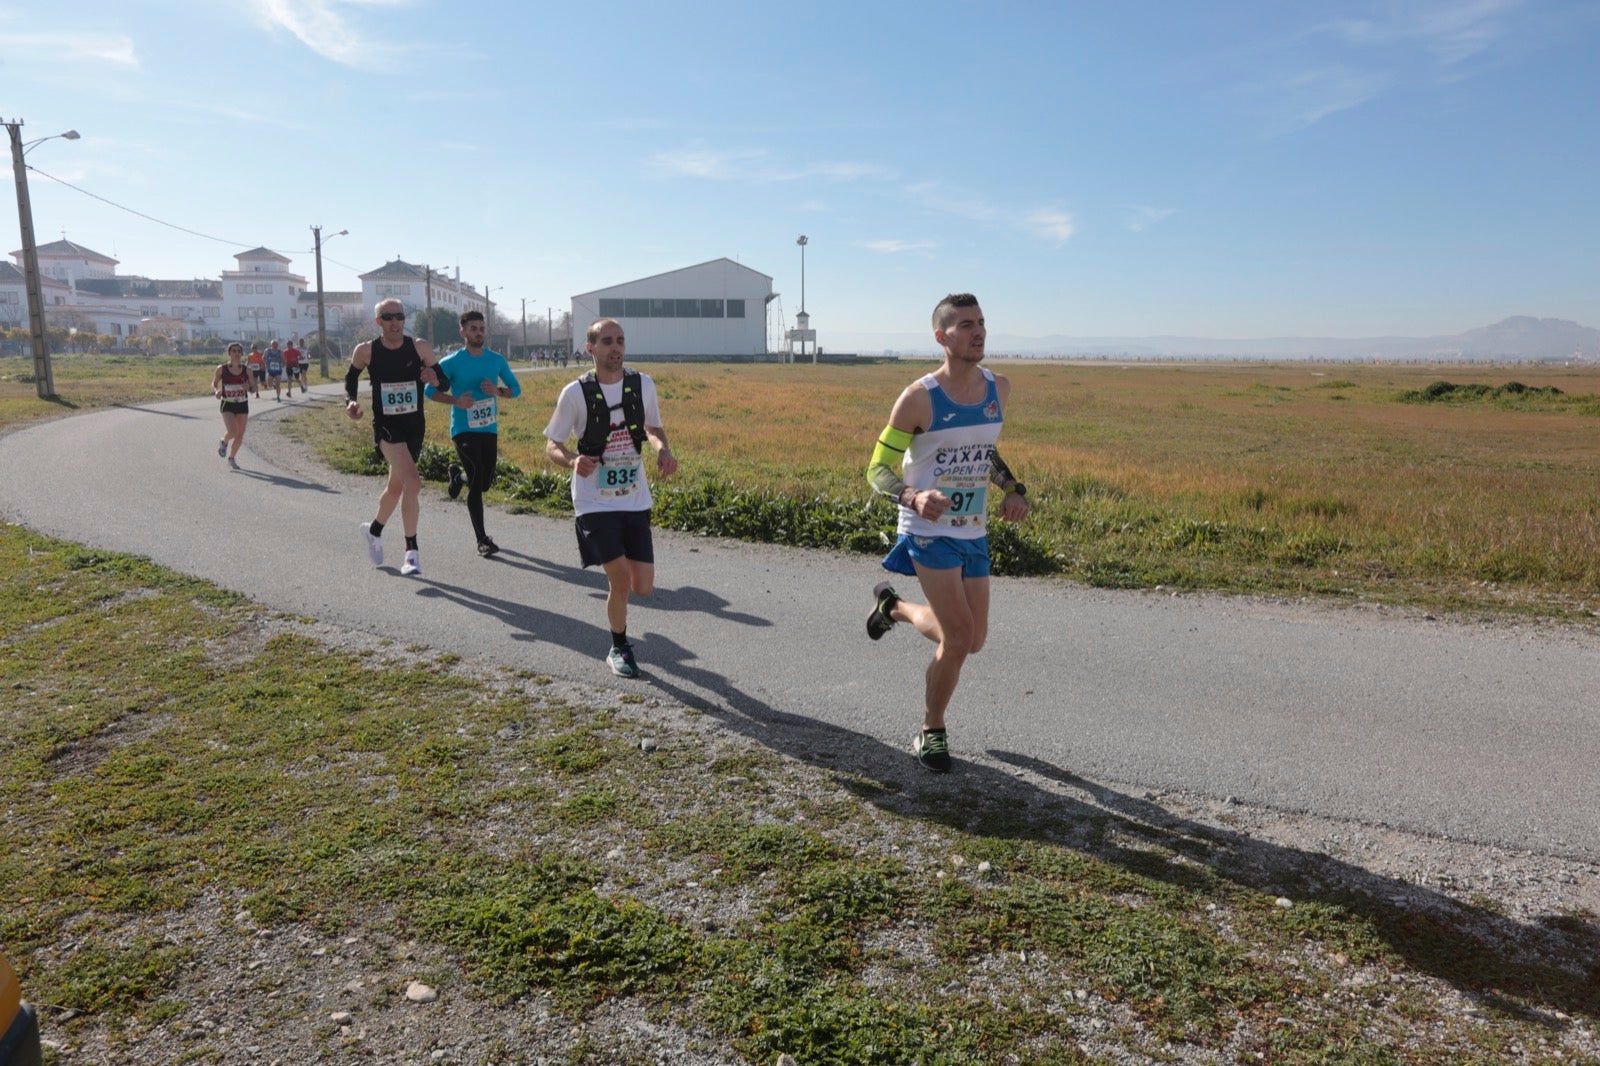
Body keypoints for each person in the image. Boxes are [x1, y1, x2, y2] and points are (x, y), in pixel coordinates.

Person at [864, 293, 1030, 773]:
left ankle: (893, 608)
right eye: (965, 325)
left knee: (972, 640)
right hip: (928, 530)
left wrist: (1012, 488)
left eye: (981, 322)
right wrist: (912, 497)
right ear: (941, 337)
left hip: (973, 530)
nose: (978, 332)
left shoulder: (999, 388)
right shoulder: (919, 397)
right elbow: (877, 469)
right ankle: (931, 729)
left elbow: (983, 451)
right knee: (957, 637)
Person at [544, 318, 678, 678]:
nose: (615, 347)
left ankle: (621, 623)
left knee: (642, 587)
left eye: (619, 340)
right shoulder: (575, 393)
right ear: (590, 348)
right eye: (606, 341)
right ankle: (619, 646)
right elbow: (552, 444)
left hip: (635, 498)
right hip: (594, 502)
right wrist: (573, 460)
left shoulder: (642, 384)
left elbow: (653, 427)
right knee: (619, 580)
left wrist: (663, 450)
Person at [344, 300, 441, 576]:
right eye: (388, 317)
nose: (395, 322)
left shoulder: (419, 347)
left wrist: (434, 377)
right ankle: (411, 553)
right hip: (387, 427)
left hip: (414, 427)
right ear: (379, 321)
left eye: (400, 316)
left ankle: (373, 531)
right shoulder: (366, 350)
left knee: (396, 489)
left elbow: (444, 381)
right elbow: (351, 378)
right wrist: (351, 402)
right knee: (413, 483)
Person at [425, 309, 522, 556]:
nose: (478, 333)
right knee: (477, 474)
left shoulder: (496, 360)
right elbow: (429, 391)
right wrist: (456, 401)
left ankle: (458, 478)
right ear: (463, 332)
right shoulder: (451, 362)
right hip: (463, 429)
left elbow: (516, 389)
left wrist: (497, 391)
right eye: (473, 329)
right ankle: (482, 539)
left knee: (485, 483)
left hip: (488, 428)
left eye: (481, 329)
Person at [212, 342, 258, 470]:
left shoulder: (247, 370)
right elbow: (214, 382)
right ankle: (224, 441)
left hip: (242, 404)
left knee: (240, 434)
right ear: (229, 353)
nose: (237, 353)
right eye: (234, 351)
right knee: (233, 431)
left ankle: (231, 458)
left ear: (242, 353)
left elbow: (254, 388)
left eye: (239, 351)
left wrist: (248, 387)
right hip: (227, 403)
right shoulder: (221, 369)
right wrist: (216, 391)